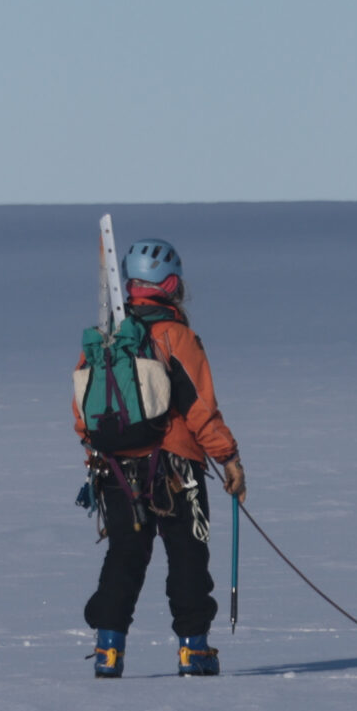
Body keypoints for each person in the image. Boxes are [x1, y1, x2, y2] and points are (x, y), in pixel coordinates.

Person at [76, 238, 247, 676]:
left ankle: (107, 651)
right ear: (170, 284)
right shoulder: (177, 336)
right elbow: (199, 408)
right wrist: (228, 458)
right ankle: (194, 650)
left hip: (114, 468)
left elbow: (85, 411)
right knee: (188, 556)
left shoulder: (104, 336)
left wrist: (97, 451)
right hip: (174, 467)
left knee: (124, 557)